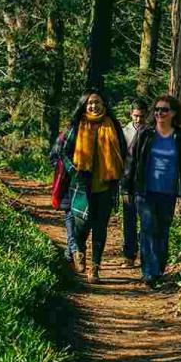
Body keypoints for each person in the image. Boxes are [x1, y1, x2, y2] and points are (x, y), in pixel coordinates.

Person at [121, 94, 181, 287]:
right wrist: (126, 188)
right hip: (144, 190)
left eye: (164, 110)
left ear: (173, 113)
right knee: (147, 228)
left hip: (168, 192)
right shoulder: (146, 133)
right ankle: (149, 272)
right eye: (156, 110)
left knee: (162, 230)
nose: (159, 113)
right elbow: (132, 160)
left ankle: (158, 268)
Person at [60, 92, 127, 284]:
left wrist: (119, 174)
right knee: (81, 224)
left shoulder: (112, 125)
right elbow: (63, 151)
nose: (93, 106)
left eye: (97, 102)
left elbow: (122, 151)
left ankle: (95, 267)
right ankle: (79, 252)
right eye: (90, 103)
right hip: (81, 185)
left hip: (105, 186)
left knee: (100, 227)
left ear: (104, 104)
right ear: (84, 105)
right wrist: (73, 170)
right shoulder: (77, 124)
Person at [121, 100, 148, 268]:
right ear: (131, 114)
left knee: (145, 219)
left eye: (142, 116)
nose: (138, 119)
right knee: (128, 219)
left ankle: (145, 254)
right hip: (127, 182)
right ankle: (129, 255)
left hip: (145, 182)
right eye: (136, 116)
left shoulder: (151, 131)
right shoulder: (124, 132)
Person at [49, 130, 79, 269]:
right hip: (66, 182)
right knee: (69, 214)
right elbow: (53, 157)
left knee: (80, 218)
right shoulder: (65, 135)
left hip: (85, 182)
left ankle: (70, 251)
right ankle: (73, 250)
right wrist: (63, 168)